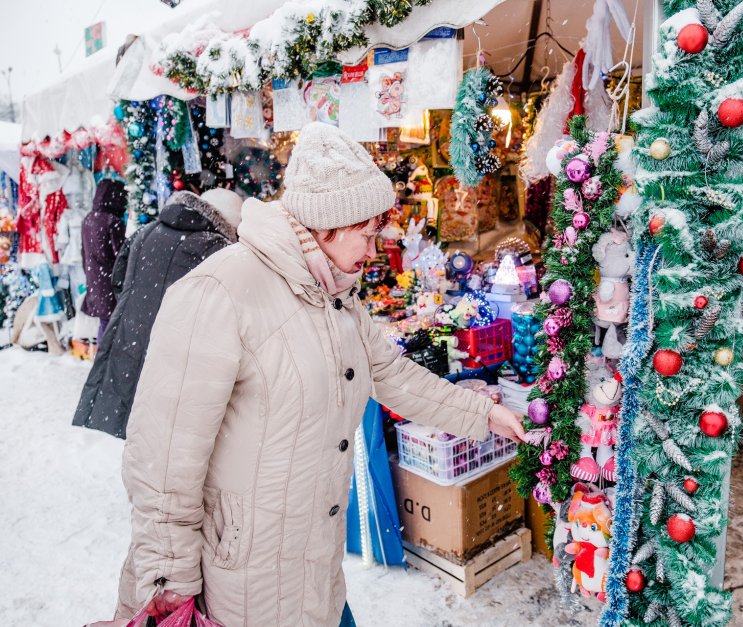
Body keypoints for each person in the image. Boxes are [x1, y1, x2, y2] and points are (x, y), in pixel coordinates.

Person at [108, 123, 525, 627]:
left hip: (314, 573)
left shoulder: (335, 295)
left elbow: (393, 374)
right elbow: (162, 457)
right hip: (240, 588)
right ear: (329, 225)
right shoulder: (221, 291)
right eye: (368, 234)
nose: (373, 253)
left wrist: (485, 413)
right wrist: (166, 583)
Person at [72, 188, 244, 439]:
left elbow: (118, 280)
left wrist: (140, 309)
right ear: (230, 221)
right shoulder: (218, 249)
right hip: (172, 357)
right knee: (158, 439)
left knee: (132, 423)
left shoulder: (147, 231)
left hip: (128, 340)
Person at [81, 179, 127, 345]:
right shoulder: (112, 221)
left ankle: (102, 361)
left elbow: (83, 253)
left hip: (95, 279)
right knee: (112, 325)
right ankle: (106, 363)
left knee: (105, 323)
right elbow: (121, 255)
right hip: (110, 282)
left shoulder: (88, 219)